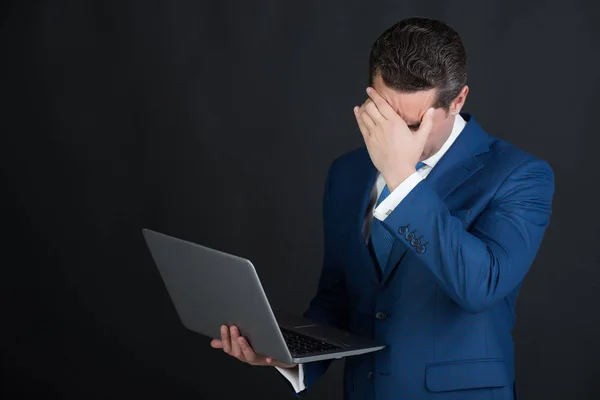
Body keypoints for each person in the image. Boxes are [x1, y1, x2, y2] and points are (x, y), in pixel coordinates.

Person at [210, 16, 554, 399]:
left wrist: (401, 179)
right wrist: (291, 357)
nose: (391, 135)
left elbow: (479, 286)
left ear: (457, 101)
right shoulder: (347, 172)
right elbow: (340, 294)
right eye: (383, 112)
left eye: (411, 125)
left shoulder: (520, 175)